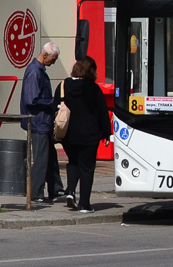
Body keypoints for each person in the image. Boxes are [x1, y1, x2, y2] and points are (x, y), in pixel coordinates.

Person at [58, 56, 110, 213]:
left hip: (68, 135)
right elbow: (102, 113)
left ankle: (71, 191)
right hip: (89, 135)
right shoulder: (94, 89)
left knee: (73, 162)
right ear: (91, 71)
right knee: (87, 168)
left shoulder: (64, 85)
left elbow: (55, 105)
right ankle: (84, 204)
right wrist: (106, 133)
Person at [21, 41, 64, 202]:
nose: (53, 62)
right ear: (44, 55)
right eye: (52, 59)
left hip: (41, 121)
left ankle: (56, 189)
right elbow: (31, 100)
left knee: (50, 156)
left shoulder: (38, 70)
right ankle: (35, 192)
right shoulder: (34, 72)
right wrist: (53, 103)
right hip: (38, 121)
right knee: (41, 157)